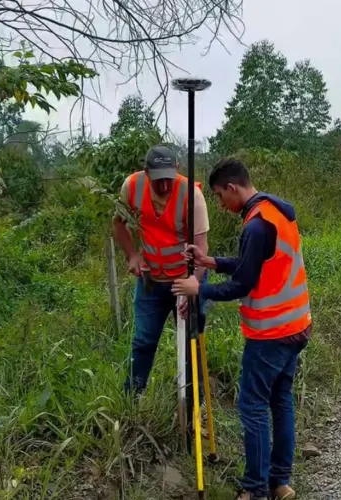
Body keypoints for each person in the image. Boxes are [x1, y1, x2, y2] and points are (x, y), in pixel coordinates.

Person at [171, 158, 310, 500]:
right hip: (297, 326)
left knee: (253, 407)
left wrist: (198, 288)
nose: (220, 204)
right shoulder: (276, 212)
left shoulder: (255, 225)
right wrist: (211, 262)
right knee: (281, 402)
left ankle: (255, 490)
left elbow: (243, 284)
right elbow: (255, 264)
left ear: (232, 188)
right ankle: (280, 482)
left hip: (270, 334)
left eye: (219, 196)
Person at [111, 144, 211, 399]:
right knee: (143, 340)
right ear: (146, 173)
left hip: (185, 279)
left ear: (176, 170)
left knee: (191, 343)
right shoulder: (131, 186)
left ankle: (193, 403)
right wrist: (132, 254)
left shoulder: (191, 195)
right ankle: (132, 399)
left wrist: (192, 285)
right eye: (158, 181)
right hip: (151, 282)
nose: (165, 186)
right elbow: (118, 224)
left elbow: (202, 248)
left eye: (169, 179)